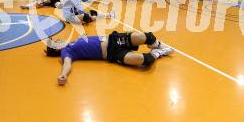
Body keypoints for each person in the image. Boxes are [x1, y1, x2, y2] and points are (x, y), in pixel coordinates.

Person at [46, 31, 174, 85]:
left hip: (113, 40)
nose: (58, 39)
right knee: (145, 61)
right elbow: (67, 64)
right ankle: (159, 52)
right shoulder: (67, 52)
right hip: (112, 55)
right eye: (56, 42)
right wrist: (63, 75)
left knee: (146, 36)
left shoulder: (72, 42)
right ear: (56, 48)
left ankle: (158, 45)